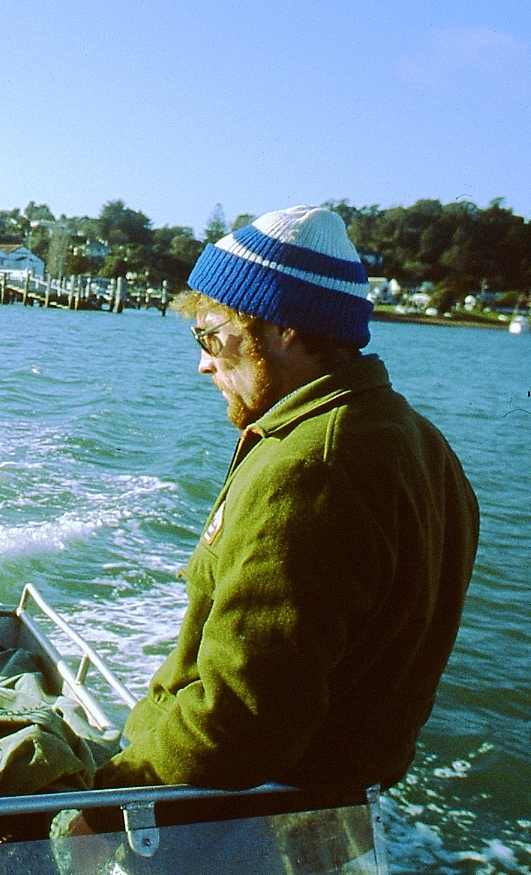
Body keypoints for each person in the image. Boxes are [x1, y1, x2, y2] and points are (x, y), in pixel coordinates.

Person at [88, 204, 480, 801]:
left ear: (285, 328)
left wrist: (106, 803)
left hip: (228, 811)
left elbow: (241, 719)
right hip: (332, 799)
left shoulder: (309, 468)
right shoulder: (424, 445)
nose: (203, 363)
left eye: (212, 335)